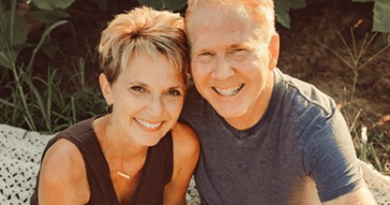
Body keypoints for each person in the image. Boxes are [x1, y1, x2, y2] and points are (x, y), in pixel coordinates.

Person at [180, 0, 377, 204]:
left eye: (238, 50)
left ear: (272, 51)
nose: (222, 73)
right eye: (206, 54)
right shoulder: (187, 107)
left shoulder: (312, 122)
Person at [30, 7, 199, 205]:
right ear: (107, 89)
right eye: (139, 89)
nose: (156, 110)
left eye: (172, 92)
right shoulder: (65, 164)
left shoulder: (182, 148)